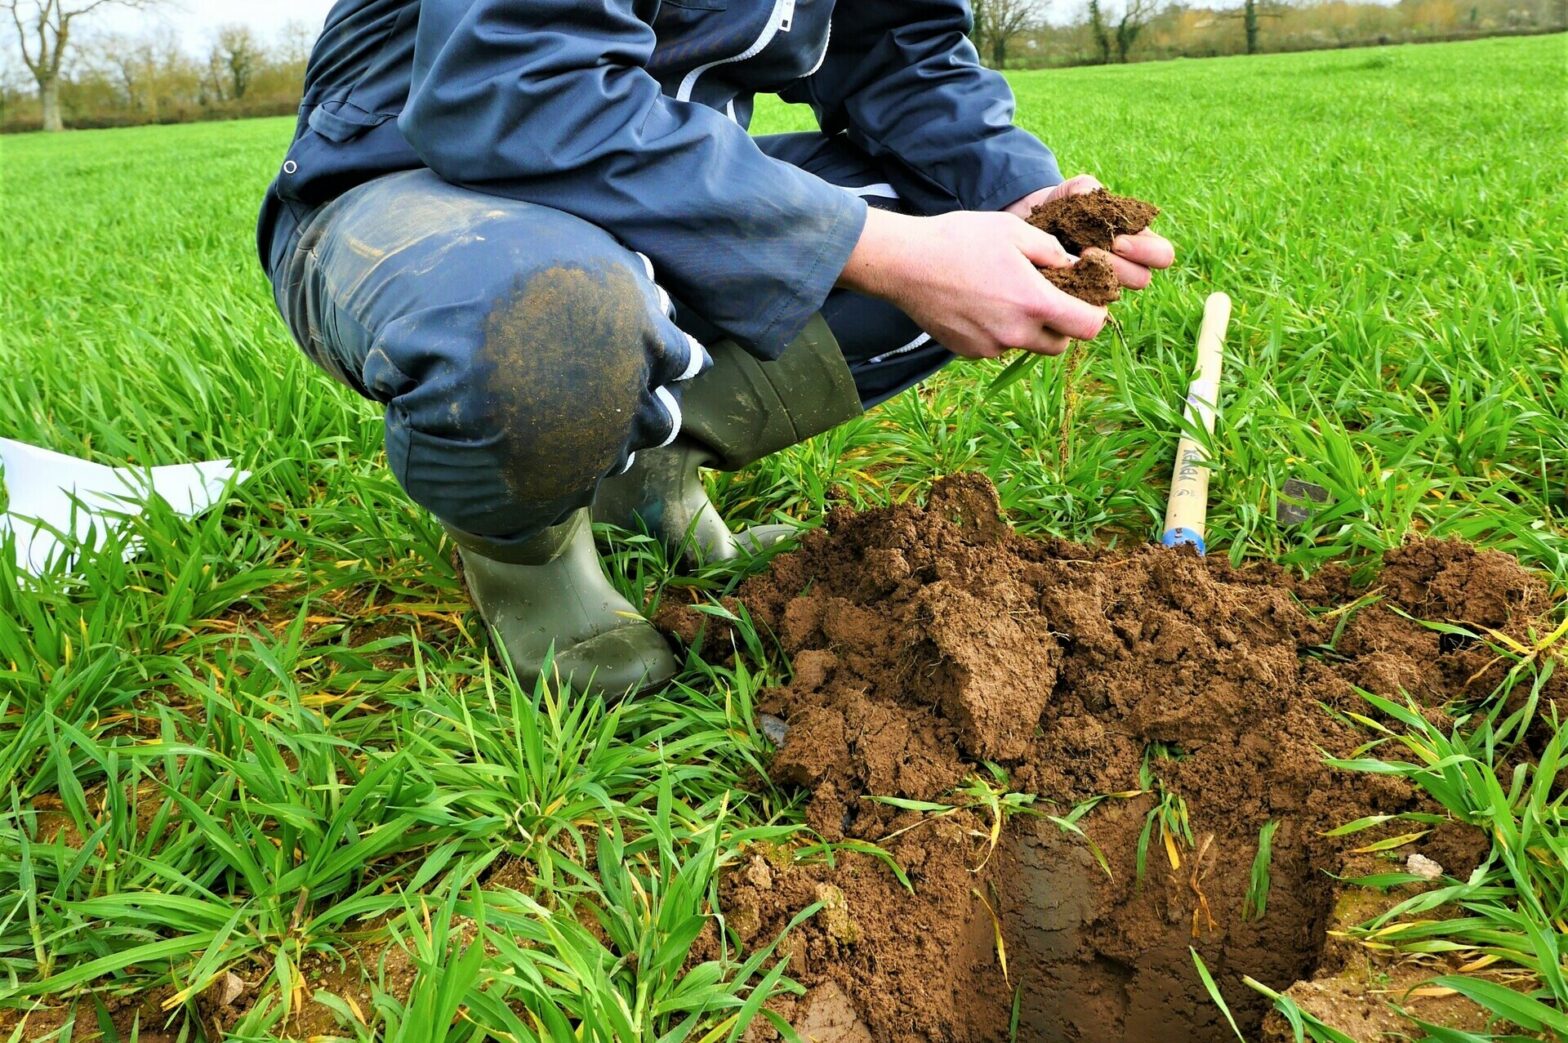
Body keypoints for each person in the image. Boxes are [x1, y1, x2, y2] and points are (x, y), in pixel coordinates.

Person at [258, 0, 1174, 698]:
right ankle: (527, 560)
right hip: (417, 188)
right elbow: (511, 84)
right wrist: (888, 253)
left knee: (963, 231)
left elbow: (901, 51)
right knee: (553, 313)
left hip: (643, 181)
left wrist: (1041, 212)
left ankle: (636, 476)